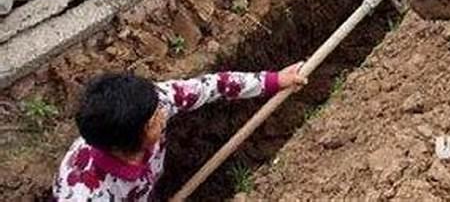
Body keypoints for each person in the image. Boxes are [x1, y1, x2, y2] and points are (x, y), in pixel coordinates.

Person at [52, 64, 307, 200]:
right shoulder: (83, 193)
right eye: (154, 120)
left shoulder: (153, 102)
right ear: (131, 138)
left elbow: (213, 86)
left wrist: (272, 81)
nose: (163, 114)